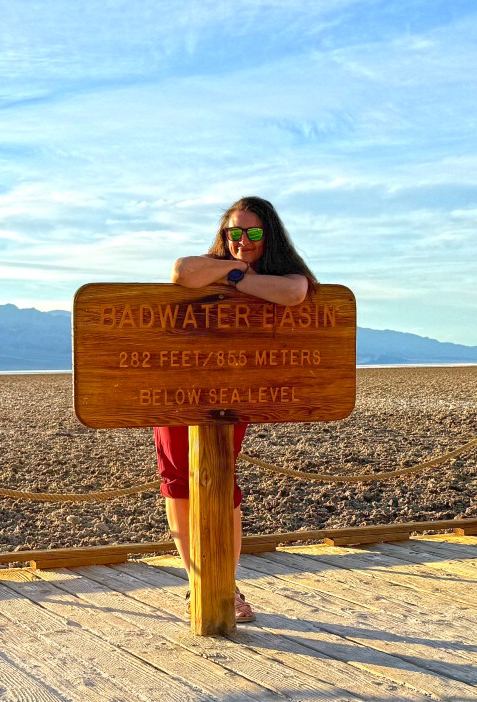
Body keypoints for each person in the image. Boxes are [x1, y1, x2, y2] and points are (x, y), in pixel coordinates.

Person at [157, 195, 318, 622]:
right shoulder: (210, 261)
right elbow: (182, 272)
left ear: (270, 234)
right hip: (179, 386)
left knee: (221, 478)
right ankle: (197, 583)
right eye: (234, 233)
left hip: (233, 390)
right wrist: (234, 268)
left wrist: (237, 277)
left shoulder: (278, 271)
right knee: (177, 481)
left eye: (253, 233)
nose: (242, 241)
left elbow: (295, 291)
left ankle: (225, 584)